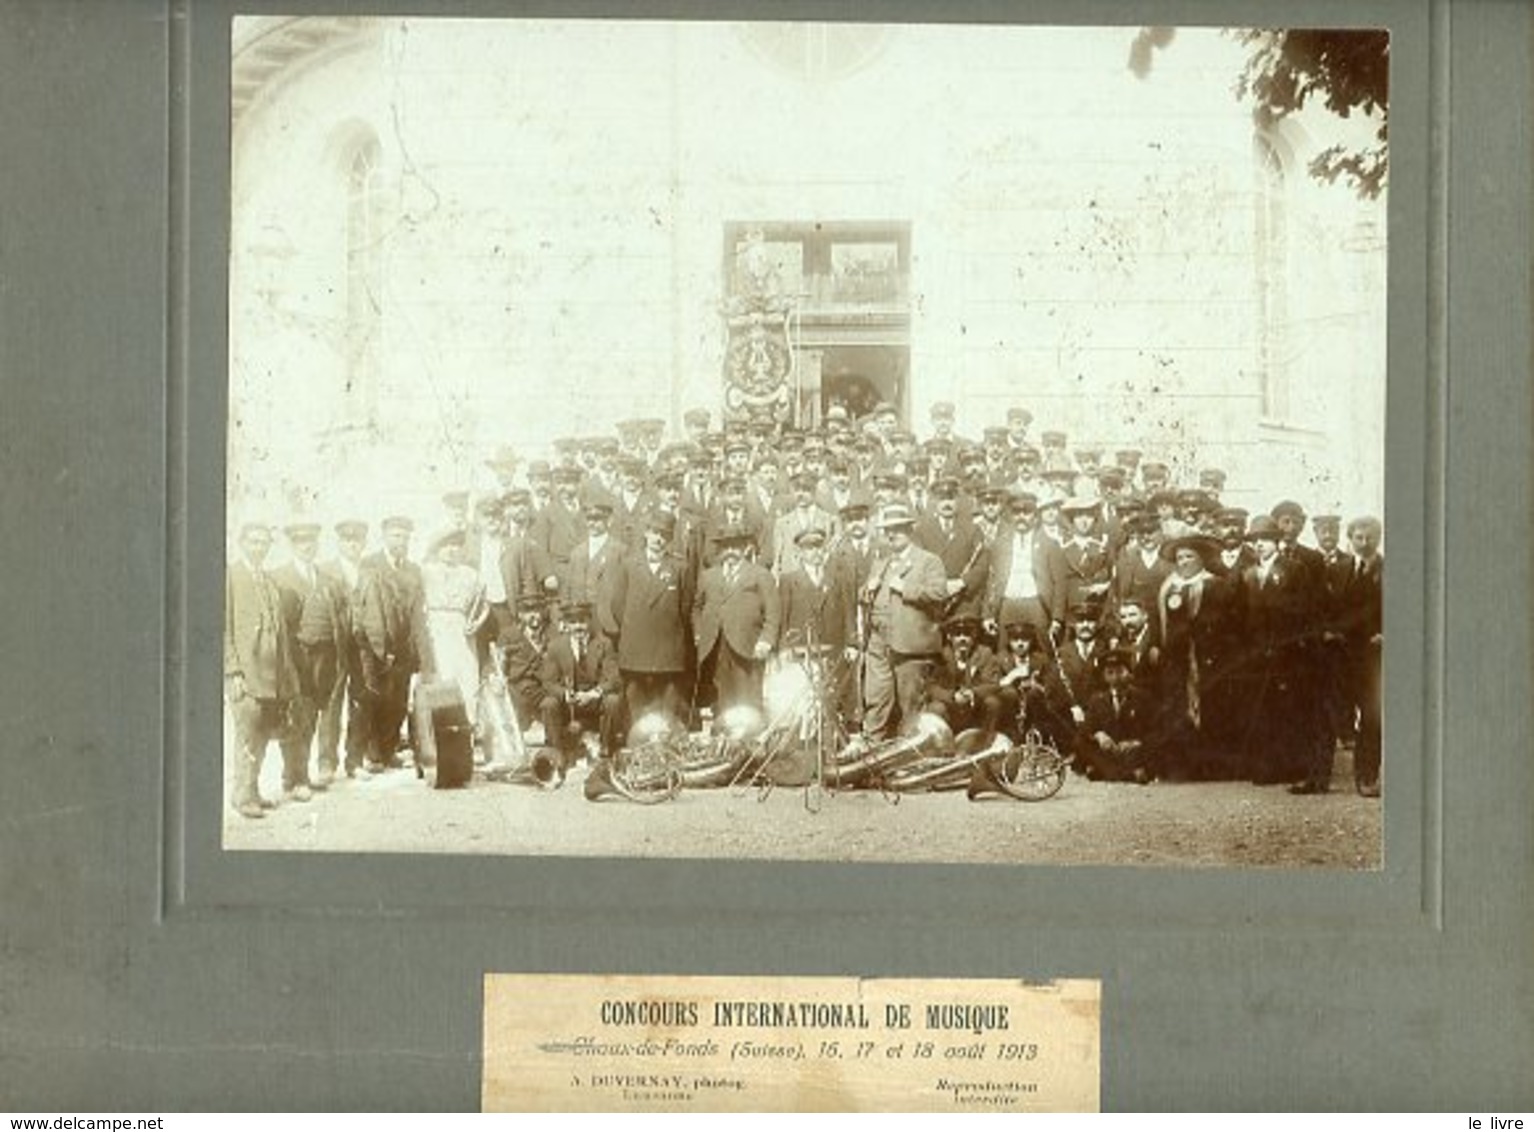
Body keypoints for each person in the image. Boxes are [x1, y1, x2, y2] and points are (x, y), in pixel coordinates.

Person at [224, 521, 299, 818]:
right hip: (246, 674)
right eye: (254, 542)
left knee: (264, 733)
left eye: (264, 542)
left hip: (272, 676)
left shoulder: (269, 582)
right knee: (248, 732)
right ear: (242, 543)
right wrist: (233, 671)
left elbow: (280, 634)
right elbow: (224, 627)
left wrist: (286, 675)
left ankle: (252, 790)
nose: (260, 547)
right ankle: (243, 796)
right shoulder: (230, 576)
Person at [856, 503, 949, 742]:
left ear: (909, 530)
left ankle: (910, 755)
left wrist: (905, 588)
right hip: (878, 642)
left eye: (897, 529)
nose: (891, 534)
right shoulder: (881, 562)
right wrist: (867, 590)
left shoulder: (928, 560)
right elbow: (864, 595)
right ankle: (871, 751)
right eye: (887, 530)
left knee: (911, 705)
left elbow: (939, 594)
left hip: (910, 645)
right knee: (876, 698)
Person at [1155, 532, 1240, 780]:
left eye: (1189, 556)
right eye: (1180, 557)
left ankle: (1211, 765)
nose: (1183, 562)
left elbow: (1227, 623)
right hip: (1176, 658)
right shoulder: (1167, 587)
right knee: (1176, 707)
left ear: (1201, 558)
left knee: (1211, 706)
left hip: (1207, 658)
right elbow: (1158, 622)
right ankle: (1180, 765)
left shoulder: (1216, 585)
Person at [272, 520, 347, 793]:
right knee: (297, 715)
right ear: (292, 545)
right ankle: (294, 777)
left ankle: (311, 771)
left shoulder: (327, 579)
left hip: (326, 656)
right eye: (301, 542)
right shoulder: (278, 577)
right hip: (297, 657)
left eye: (311, 541)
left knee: (319, 713)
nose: (307, 546)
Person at [601, 510, 694, 726]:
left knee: (668, 707)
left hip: (668, 649)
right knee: (636, 705)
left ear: (669, 539)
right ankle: (637, 745)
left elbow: (685, 607)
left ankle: (665, 746)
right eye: (654, 533)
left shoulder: (680, 568)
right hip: (636, 647)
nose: (658, 539)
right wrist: (635, 628)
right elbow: (618, 605)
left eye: (664, 535)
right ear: (646, 534)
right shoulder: (629, 565)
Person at [355, 515, 426, 771]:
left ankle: (389, 750)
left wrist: (417, 651)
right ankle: (372, 753)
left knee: (398, 700)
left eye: (405, 537)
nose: (401, 541)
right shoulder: (370, 564)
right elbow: (365, 609)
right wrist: (378, 647)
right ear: (384, 536)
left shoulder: (414, 570)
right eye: (396, 536)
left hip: (404, 648)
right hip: (377, 647)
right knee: (376, 698)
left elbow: (417, 612)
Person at [693, 527, 779, 721]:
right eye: (725, 547)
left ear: (745, 548)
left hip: (748, 646)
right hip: (716, 645)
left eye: (735, 546)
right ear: (719, 550)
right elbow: (696, 607)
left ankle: (748, 741)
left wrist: (766, 640)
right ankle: (723, 739)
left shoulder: (760, 575)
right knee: (721, 697)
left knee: (748, 697)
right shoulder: (709, 576)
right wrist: (699, 632)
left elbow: (773, 612)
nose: (730, 551)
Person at [982, 490, 1068, 653]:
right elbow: (992, 581)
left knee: (1043, 651)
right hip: (1007, 605)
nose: (1021, 516)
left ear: (1035, 515)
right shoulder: (1000, 544)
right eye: (1017, 512)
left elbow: (1060, 584)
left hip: (1037, 605)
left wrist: (1057, 617)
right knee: (1004, 653)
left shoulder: (1049, 545)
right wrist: (987, 614)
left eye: (1026, 512)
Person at [420, 528, 489, 728]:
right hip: (436, 627)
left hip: (462, 628)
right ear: (437, 549)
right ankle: (441, 727)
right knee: (442, 674)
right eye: (446, 546)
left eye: (456, 546)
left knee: (467, 676)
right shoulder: (426, 571)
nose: (451, 550)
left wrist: (477, 623)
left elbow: (484, 605)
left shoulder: (471, 575)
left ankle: (469, 726)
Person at [539, 601, 623, 765]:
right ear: (566, 624)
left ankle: (605, 752)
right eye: (573, 622)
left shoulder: (604, 644)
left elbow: (613, 679)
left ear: (589, 621)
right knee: (548, 703)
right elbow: (548, 682)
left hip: (594, 701)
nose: (578, 627)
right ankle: (557, 755)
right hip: (569, 704)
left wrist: (593, 694)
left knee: (613, 700)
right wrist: (564, 694)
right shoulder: (556, 646)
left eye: (582, 621)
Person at [320, 518, 370, 779]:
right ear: (339, 543)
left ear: (364, 543)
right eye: (347, 540)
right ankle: (327, 763)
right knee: (331, 701)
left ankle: (355, 760)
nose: (352, 545)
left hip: (362, 648)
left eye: (357, 540)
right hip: (335, 647)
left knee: (360, 701)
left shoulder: (370, 571)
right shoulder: (325, 571)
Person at [1342, 516, 1384, 797]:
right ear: (1351, 539)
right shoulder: (1341, 569)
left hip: (1375, 653)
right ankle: (1318, 776)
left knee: (1371, 715)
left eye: (1370, 537)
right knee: (1340, 711)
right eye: (1359, 537)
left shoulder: (1391, 569)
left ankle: (1367, 775)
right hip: (1343, 653)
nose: (1364, 542)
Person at [913, 476, 989, 620]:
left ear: (957, 501)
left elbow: (982, 564)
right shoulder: (922, 530)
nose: (947, 503)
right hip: (932, 601)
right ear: (934, 502)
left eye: (951, 498)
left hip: (964, 600)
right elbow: (917, 562)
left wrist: (962, 583)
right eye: (942, 499)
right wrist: (938, 586)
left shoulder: (972, 529)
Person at [1075, 648, 1154, 783]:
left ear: (1130, 673)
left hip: (1132, 751)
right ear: (1104, 677)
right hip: (1109, 751)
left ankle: (1105, 772)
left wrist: (1136, 742)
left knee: (1152, 750)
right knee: (1081, 743)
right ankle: (1129, 775)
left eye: (1120, 672)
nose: (1116, 678)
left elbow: (1155, 728)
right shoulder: (1097, 699)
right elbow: (1087, 728)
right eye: (1110, 673)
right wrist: (1098, 735)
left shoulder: (1142, 697)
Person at [925, 615, 1007, 739]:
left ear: (974, 636)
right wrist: (952, 696)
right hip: (951, 710)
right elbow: (931, 686)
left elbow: (993, 683)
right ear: (949, 637)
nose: (962, 639)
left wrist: (973, 693)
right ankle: (943, 748)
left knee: (992, 703)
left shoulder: (984, 653)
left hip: (975, 711)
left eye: (967, 634)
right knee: (935, 708)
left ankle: (985, 743)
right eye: (957, 635)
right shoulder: (941, 656)